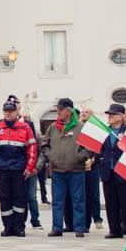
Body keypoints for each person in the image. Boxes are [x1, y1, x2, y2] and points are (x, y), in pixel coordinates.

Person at [0, 99, 37, 237]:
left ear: (17, 112)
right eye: (6, 111)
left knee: (20, 199)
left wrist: (30, 167)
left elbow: (32, 148)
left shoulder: (25, 127)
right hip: (3, 171)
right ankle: (8, 226)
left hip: (19, 170)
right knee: (5, 199)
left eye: (11, 111)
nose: (8, 113)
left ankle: (19, 226)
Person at [44, 99, 88, 238]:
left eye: (60, 110)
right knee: (57, 201)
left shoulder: (81, 127)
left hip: (76, 170)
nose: (58, 112)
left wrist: (78, 157)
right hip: (57, 171)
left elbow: (89, 148)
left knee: (78, 200)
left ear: (68, 111)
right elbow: (44, 145)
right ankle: (56, 227)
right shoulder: (53, 127)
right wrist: (51, 157)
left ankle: (79, 228)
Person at [98, 103, 126, 239]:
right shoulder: (105, 130)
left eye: (112, 114)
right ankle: (114, 230)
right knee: (111, 202)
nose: (109, 117)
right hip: (108, 171)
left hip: (124, 171)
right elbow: (101, 149)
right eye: (109, 114)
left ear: (120, 116)